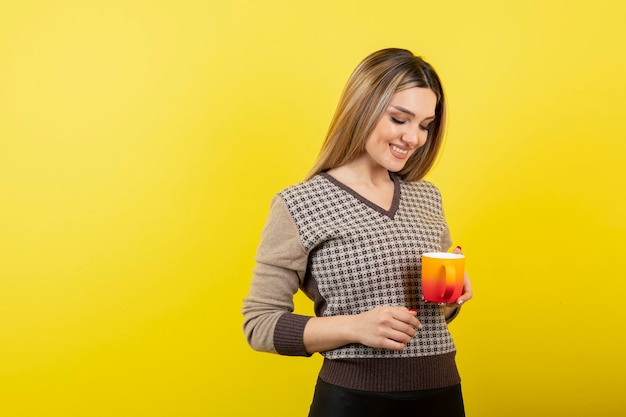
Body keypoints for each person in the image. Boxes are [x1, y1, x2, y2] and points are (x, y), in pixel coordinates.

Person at [242, 48, 473, 417]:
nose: (414, 137)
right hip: (353, 402)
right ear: (363, 107)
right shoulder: (300, 203)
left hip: (441, 394)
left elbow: (434, 318)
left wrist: (450, 301)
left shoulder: (427, 197)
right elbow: (260, 324)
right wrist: (356, 326)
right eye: (400, 119)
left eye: (425, 125)